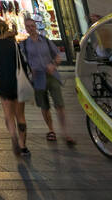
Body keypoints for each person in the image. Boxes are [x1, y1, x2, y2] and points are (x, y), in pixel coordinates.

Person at [22, 17, 76, 146]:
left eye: (32, 25)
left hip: (51, 75)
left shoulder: (45, 41)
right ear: (26, 29)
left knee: (59, 104)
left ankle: (65, 133)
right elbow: (23, 62)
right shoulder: (24, 45)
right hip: (37, 78)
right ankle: (51, 130)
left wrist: (53, 65)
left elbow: (58, 56)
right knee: (44, 106)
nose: (31, 28)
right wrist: (29, 71)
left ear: (36, 26)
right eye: (28, 26)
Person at [0, 18, 30, 157]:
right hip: (18, 82)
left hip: (4, 84)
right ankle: (23, 146)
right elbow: (23, 64)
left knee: (8, 115)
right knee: (20, 115)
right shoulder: (14, 44)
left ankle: (13, 135)